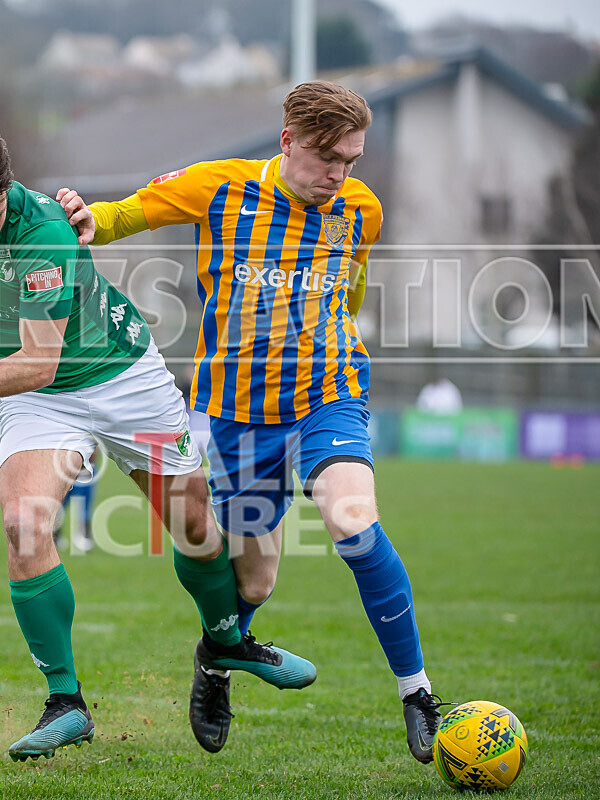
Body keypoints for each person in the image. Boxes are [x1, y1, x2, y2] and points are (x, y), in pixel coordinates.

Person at [0, 125, 315, 762]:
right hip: (43, 402)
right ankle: (65, 702)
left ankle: (222, 646)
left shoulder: (41, 236)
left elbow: (37, 362)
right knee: (24, 523)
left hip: (121, 376)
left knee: (193, 529)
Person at [57, 82, 447, 761]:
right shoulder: (220, 188)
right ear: (287, 141)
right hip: (241, 416)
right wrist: (89, 221)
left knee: (352, 520)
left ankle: (416, 692)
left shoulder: (362, 210)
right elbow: (127, 214)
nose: (338, 174)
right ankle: (215, 661)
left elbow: (347, 287)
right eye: (327, 157)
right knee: (255, 583)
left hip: (329, 393)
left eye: (350, 160)